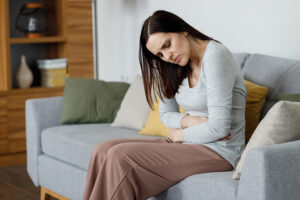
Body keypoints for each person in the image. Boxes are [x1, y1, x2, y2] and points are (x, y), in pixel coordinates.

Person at [82, 10, 247, 200]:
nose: (167, 56)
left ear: (182, 30)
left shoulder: (216, 56)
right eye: (160, 54)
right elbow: (166, 115)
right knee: (102, 150)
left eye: (167, 45)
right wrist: (192, 121)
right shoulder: (171, 66)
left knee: (120, 156)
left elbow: (219, 128)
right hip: (189, 143)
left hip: (219, 151)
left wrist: (179, 134)